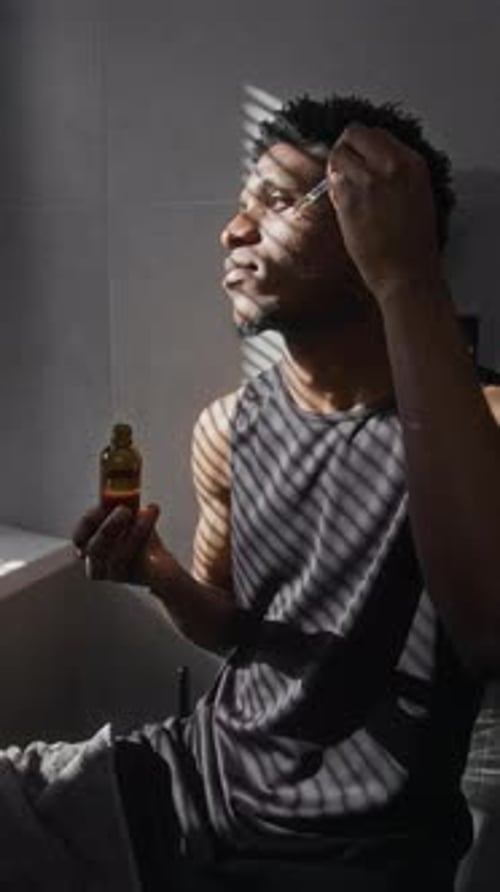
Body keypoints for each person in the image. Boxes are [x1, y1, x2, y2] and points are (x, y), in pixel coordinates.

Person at [5, 94, 500, 891]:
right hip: (185, 783)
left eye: (274, 202)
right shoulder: (227, 428)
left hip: (354, 856)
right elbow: (236, 631)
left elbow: (487, 632)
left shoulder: (482, 426)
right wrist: (156, 572)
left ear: (372, 227)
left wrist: (408, 278)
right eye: (239, 206)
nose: (233, 232)